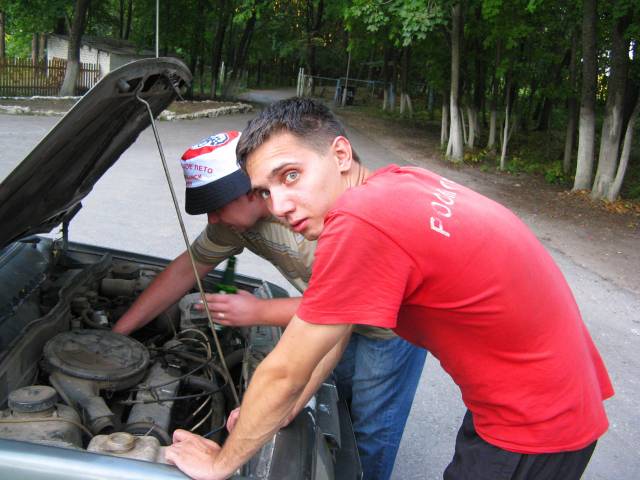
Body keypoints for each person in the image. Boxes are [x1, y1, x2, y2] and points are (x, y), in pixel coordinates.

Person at [164, 99, 614, 480]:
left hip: (533, 425)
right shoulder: (398, 182)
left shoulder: (360, 224)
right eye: (264, 191)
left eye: (291, 175)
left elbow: (284, 371)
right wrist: (286, 406)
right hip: (547, 394)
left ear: (341, 154)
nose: (279, 205)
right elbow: (328, 335)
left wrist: (221, 463)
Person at [112, 130, 427, 480]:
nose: (212, 219)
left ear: (250, 188)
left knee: (372, 429)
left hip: (390, 329)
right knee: (341, 406)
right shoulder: (234, 224)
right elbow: (185, 270)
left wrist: (260, 319)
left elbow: (340, 314)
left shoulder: (316, 219)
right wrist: (118, 333)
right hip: (334, 319)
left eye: (217, 206)